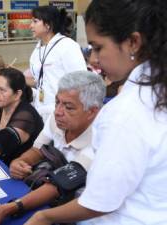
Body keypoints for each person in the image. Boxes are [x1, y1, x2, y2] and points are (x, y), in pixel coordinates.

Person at [25, 0, 167, 224]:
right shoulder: (151, 95)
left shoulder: (124, 113)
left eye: (98, 48)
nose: (93, 59)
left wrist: (43, 216)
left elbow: (100, 201)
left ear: (133, 42)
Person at [0, 71, 105, 225]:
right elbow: (37, 149)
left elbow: (58, 185)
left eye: (68, 107)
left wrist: (9, 208)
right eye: (57, 102)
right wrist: (20, 161)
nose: (58, 112)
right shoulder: (57, 119)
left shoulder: (103, 139)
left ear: (92, 111)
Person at [27, 6, 87, 122]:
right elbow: (39, 80)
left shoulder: (67, 46)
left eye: (35, 21)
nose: (31, 26)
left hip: (62, 111)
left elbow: (82, 81)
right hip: (41, 109)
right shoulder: (38, 49)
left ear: (48, 25)